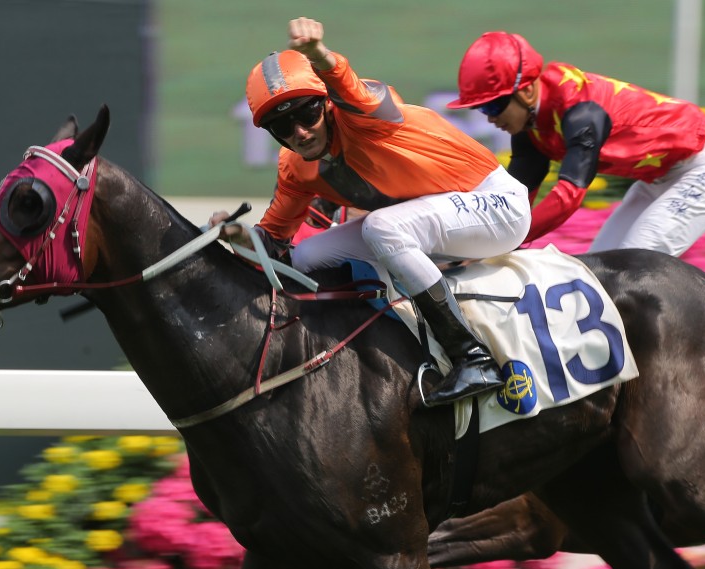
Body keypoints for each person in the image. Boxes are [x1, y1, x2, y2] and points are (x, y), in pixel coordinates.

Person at [212, 18, 533, 405]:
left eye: (306, 114)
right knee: (307, 255)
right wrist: (240, 236)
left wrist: (318, 54)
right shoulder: (294, 167)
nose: (299, 132)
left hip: (498, 206)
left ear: (326, 104)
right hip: (431, 221)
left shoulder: (364, 113)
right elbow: (274, 241)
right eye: (281, 126)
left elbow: (346, 83)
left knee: (381, 227)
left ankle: (472, 357)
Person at [446, 32, 705, 257]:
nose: (490, 118)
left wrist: (503, 243)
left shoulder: (581, 113)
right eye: (481, 109)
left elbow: (568, 197)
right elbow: (512, 202)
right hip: (656, 181)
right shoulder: (529, 125)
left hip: (700, 174)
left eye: (494, 106)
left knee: (629, 269)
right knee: (598, 275)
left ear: (528, 90)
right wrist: (475, 242)